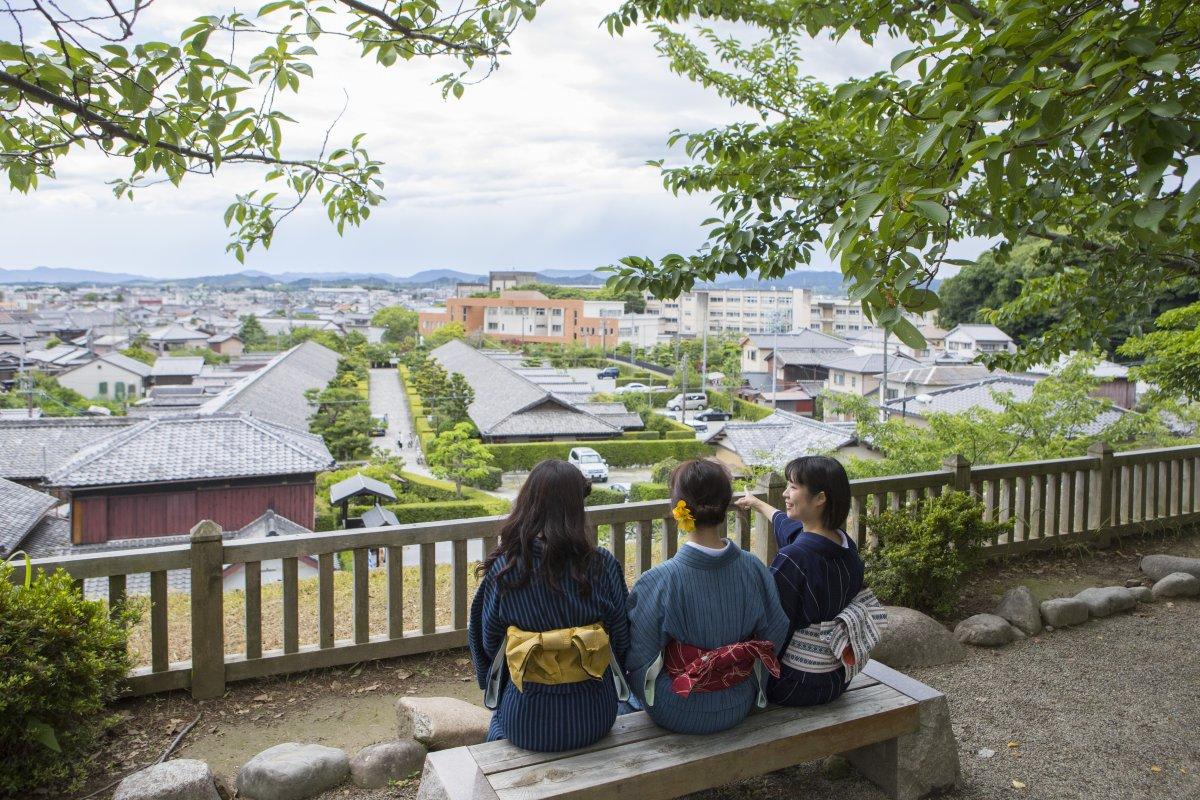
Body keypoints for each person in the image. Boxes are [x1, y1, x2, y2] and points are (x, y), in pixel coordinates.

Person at [468, 459, 631, 751]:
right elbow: (620, 637)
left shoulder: (507, 569)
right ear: (577, 509)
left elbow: (486, 641)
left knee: (497, 722)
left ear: (528, 504)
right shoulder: (602, 564)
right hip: (595, 715)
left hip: (527, 720)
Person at [625, 459, 789, 734]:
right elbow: (775, 632)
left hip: (677, 704)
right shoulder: (754, 568)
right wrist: (735, 668)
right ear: (726, 506)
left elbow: (639, 656)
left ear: (678, 509)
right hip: (739, 698)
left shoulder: (659, 580)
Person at [734, 455, 881, 707]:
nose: (785, 494)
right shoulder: (844, 543)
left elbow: (772, 624)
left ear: (820, 498)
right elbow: (786, 526)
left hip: (796, 684)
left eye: (793, 487)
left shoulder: (794, 558)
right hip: (836, 678)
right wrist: (757, 503)